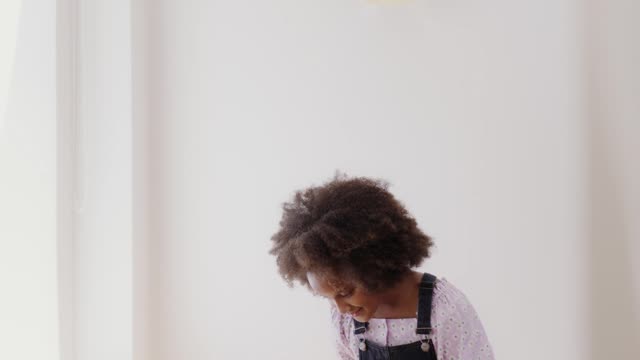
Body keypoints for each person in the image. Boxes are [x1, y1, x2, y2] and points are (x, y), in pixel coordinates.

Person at [269, 174, 495, 360]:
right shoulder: (345, 319)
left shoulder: (444, 310)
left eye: (345, 293)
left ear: (373, 267)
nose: (340, 308)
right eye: (328, 298)